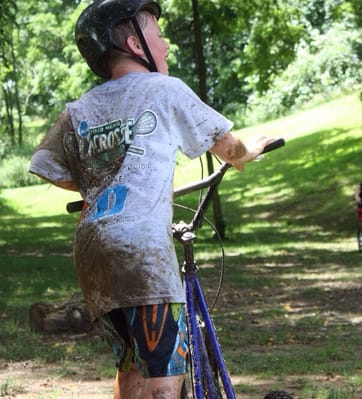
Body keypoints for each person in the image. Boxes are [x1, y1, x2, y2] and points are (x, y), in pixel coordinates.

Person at [28, 1, 272, 398]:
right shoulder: (165, 89)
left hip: (91, 248)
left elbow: (52, 169)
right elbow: (229, 148)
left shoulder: (78, 110)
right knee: (163, 371)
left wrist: (109, 184)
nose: (167, 44)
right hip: (140, 247)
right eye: (158, 35)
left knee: (129, 366)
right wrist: (253, 149)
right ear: (134, 43)